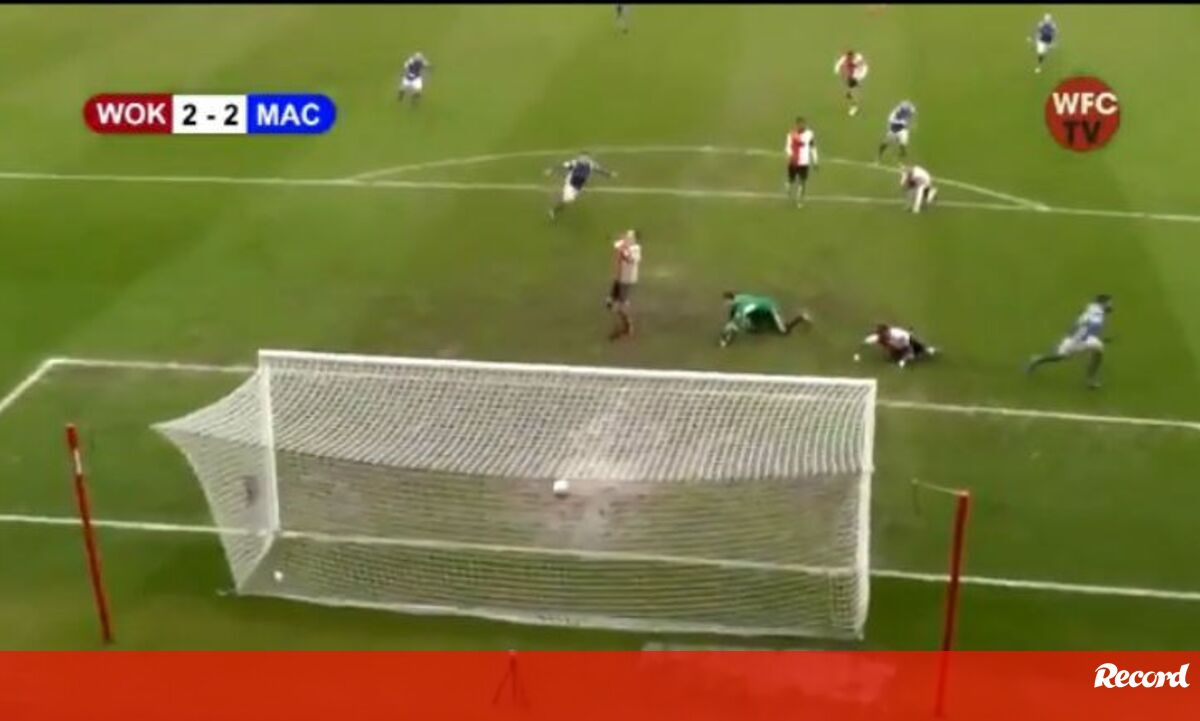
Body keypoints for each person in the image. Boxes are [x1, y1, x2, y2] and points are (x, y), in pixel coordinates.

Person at [1026, 294, 1113, 389]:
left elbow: (1083, 321)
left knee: (1098, 350)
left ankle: (1090, 379)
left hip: (1078, 336)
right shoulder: (1098, 315)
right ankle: (1037, 359)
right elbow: (1092, 327)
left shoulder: (1091, 307)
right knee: (1060, 357)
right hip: (1078, 339)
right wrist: (1098, 337)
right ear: (1102, 303)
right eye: (1109, 303)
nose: (1111, 305)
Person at [718, 291, 811, 347]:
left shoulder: (743, 308)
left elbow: (736, 322)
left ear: (731, 300)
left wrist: (725, 336)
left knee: (784, 332)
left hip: (769, 308)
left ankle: (801, 317)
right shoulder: (738, 298)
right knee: (751, 329)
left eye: (726, 302)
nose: (725, 304)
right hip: (758, 310)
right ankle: (763, 328)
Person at [546, 153, 616, 220]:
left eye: (585, 158)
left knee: (569, 199)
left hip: (579, 185)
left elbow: (600, 170)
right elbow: (562, 166)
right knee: (568, 199)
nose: (584, 159)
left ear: (588, 158)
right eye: (582, 158)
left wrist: (609, 174)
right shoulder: (574, 163)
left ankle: (559, 206)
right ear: (579, 158)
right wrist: (551, 170)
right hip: (570, 184)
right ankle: (553, 210)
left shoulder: (591, 164)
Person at [606, 229, 642, 340]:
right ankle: (622, 320)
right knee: (610, 303)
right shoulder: (624, 244)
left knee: (621, 306)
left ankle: (628, 327)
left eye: (629, 237)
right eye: (627, 236)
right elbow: (616, 243)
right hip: (619, 278)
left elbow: (629, 259)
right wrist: (618, 241)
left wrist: (622, 249)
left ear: (634, 240)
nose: (627, 238)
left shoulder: (636, 250)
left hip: (627, 280)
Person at [861, 324, 938, 368]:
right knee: (896, 355)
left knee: (917, 353)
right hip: (899, 346)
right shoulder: (879, 338)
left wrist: (904, 359)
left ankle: (929, 350)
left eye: (883, 334)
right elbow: (867, 341)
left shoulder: (898, 335)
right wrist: (862, 346)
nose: (882, 335)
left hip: (908, 343)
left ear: (887, 331)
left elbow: (909, 343)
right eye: (880, 334)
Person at [785, 117, 819, 207]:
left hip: (804, 162)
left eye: (803, 124)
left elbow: (813, 147)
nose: (801, 126)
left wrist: (815, 160)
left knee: (802, 182)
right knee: (791, 180)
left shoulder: (809, 134)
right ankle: (788, 185)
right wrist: (790, 156)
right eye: (799, 124)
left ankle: (799, 201)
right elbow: (788, 147)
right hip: (794, 161)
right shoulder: (791, 135)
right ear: (796, 125)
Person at [833, 50, 870, 116]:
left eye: (850, 57)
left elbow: (864, 67)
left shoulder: (858, 60)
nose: (849, 58)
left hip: (857, 75)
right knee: (849, 92)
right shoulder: (844, 58)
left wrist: (859, 78)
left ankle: (854, 106)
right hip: (850, 75)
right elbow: (838, 64)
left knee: (854, 90)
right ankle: (852, 101)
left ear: (853, 56)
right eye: (848, 57)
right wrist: (837, 71)